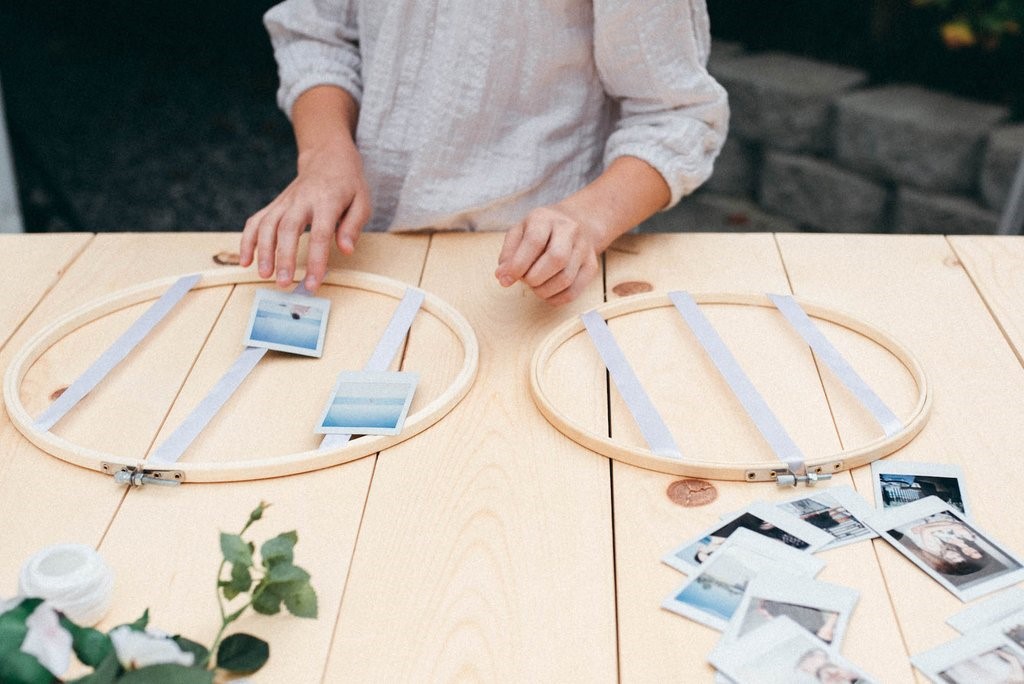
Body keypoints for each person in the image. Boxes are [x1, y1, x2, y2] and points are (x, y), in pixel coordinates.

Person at [240, 1, 728, 305]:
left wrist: (587, 220)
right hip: (367, 250)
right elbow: (317, 34)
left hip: (535, 275)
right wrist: (325, 155)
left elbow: (675, 115)